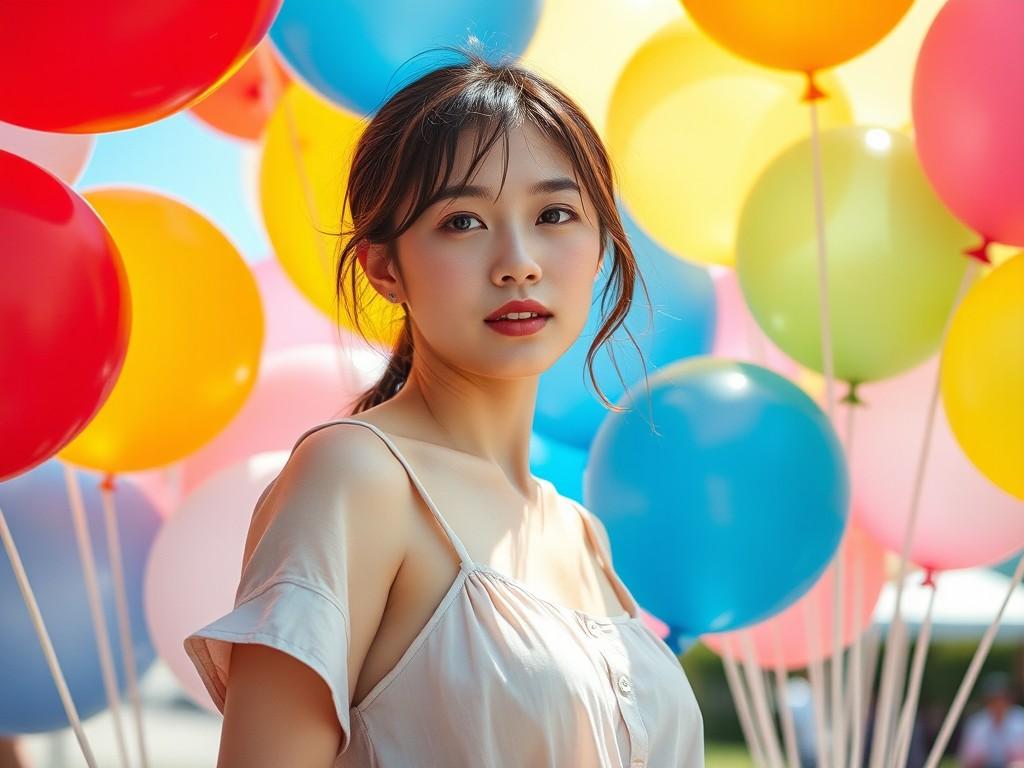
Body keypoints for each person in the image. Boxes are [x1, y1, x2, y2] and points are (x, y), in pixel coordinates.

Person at [183, 47, 705, 767]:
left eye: (555, 213)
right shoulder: (357, 479)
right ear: (384, 266)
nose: (518, 261)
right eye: (462, 221)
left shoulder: (582, 534)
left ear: (598, 248)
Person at [957, 672, 1024, 768]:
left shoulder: (1021, 719)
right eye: (993, 699)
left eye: (1001, 698)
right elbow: (967, 759)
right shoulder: (976, 723)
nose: (998, 704)